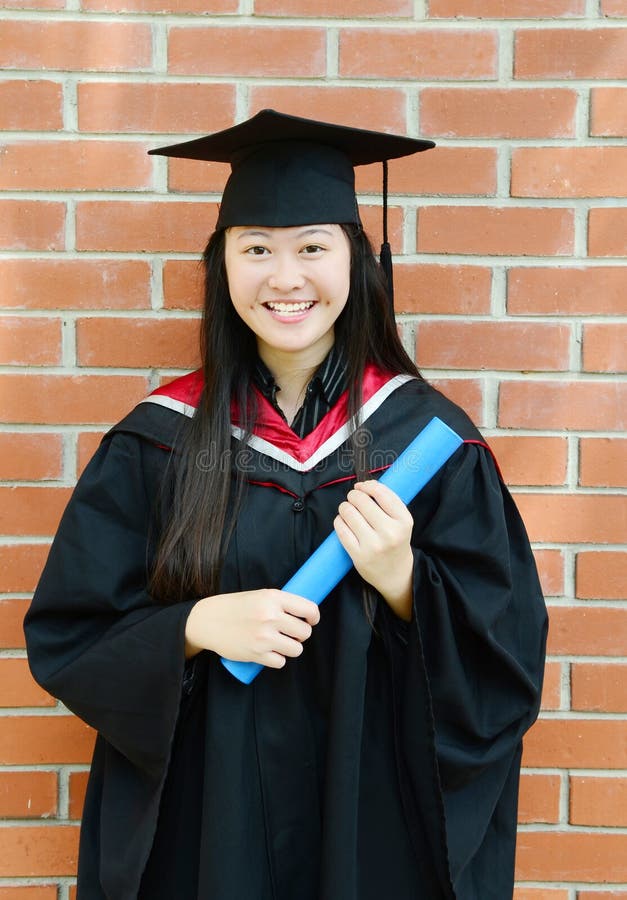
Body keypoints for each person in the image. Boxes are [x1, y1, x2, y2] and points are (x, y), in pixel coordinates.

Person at [25, 110, 547, 900]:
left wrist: (405, 581)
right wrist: (194, 628)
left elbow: (505, 652)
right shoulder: (157, 443)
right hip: (208, 828)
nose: (285, 277)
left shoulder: (430, 442)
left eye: (312, 246)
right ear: (221, 266)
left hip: (374, 826)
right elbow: (71, 630)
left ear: (356, 261)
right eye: (256, 249)